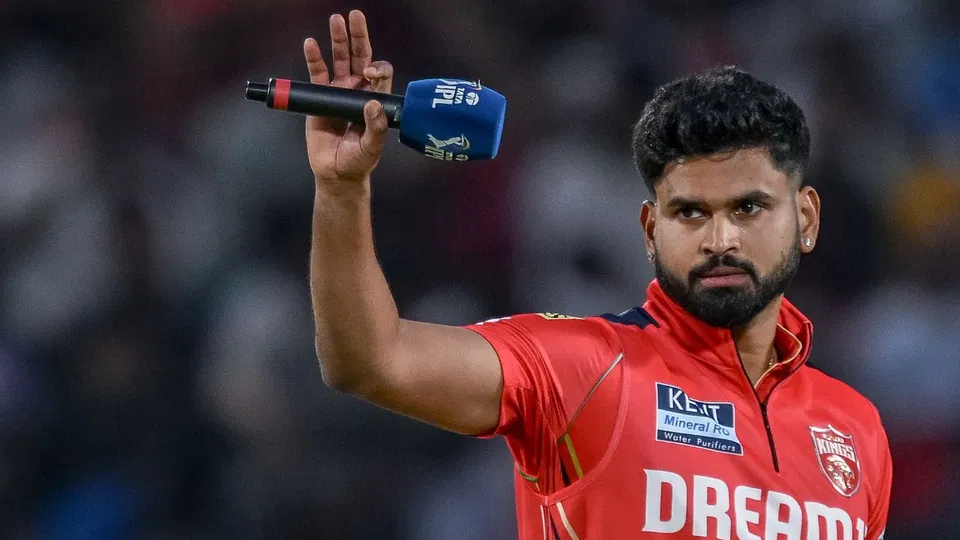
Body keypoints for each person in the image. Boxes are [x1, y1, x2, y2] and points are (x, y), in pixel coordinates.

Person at [302, 9, 892, 539]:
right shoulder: (584, 369)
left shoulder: (856, 430)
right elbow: (372, 360)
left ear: (806, 219)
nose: (720, 240)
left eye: (749, 208)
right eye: (690, 212)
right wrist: (341, 189)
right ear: (650, 231)